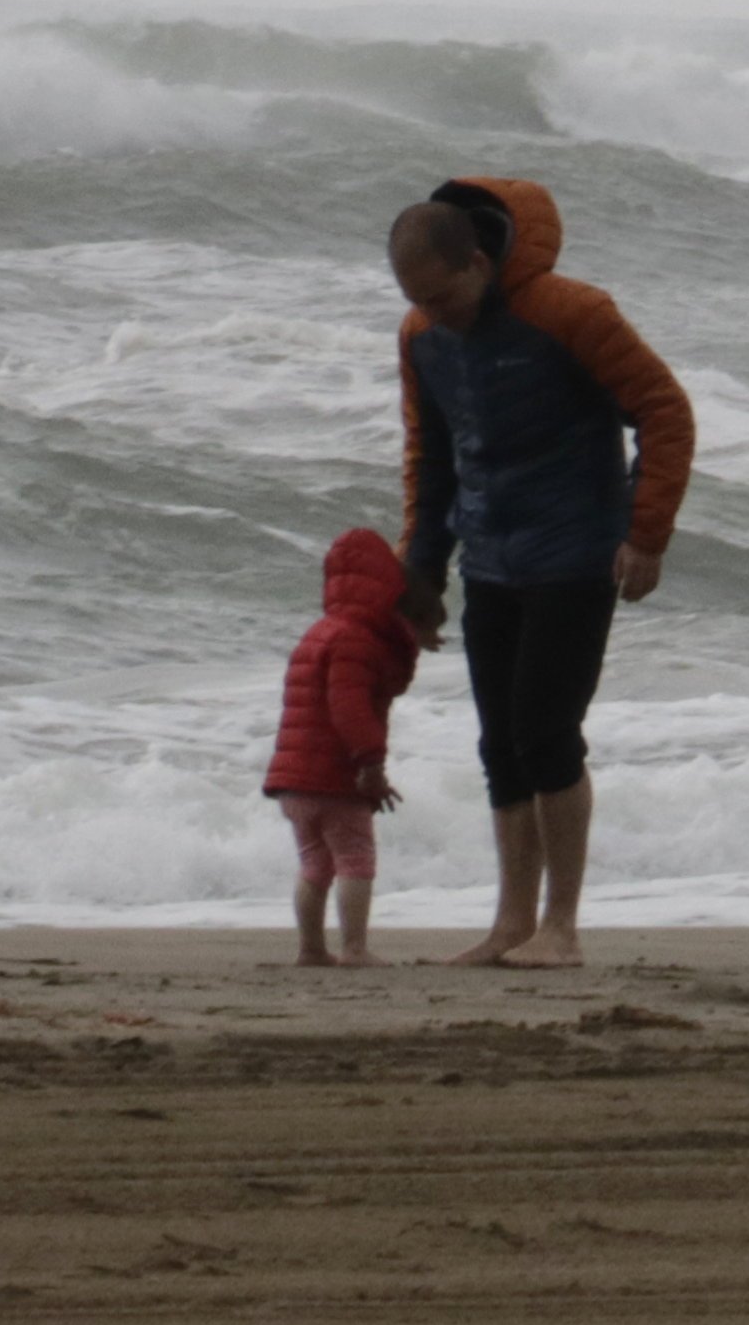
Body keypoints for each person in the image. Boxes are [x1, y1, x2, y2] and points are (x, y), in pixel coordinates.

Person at [388, 175, 695, 969]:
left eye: (443, 295)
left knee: (546, 733)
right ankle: (512, 924)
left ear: (481, 262)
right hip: (491, 557)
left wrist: (646, 533)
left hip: (574, 552)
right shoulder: (421, 337)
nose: (433, 313)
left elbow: (663, 410)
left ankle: (562, 927)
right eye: (416, 299)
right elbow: (432, 459)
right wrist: (420, 577)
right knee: (500, 745)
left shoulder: (571, 314)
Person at [261, 526, 422, 968]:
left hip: (293, 780)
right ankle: (354, 948)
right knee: (356, 859)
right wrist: (370, 764)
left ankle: (311, 948)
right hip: (334, 776)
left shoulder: (320, 632)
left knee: (314, 864)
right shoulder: (357, 639)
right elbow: (349, 708)